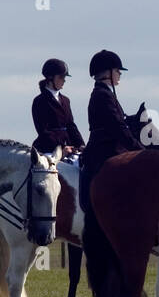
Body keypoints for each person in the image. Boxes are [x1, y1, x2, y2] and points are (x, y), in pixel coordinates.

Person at [79, 49, 143, 214]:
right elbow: (118, 128)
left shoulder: (106, 94)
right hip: (104, 150)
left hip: (110, 147)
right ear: (108, 73)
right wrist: (139, 150)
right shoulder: (103, 95)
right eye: (117, 70)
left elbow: (121, 123)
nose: (120, 74)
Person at [31, 58, 85, 156]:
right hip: (49, 148)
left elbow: (71, 125)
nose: (64, 80)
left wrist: (80, 144)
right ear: (50, 78)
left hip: (68, 147)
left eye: (64, 77)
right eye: (61, 77)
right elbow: (43, 131)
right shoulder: (39, 101)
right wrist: (60, 147)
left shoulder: (66, 100)